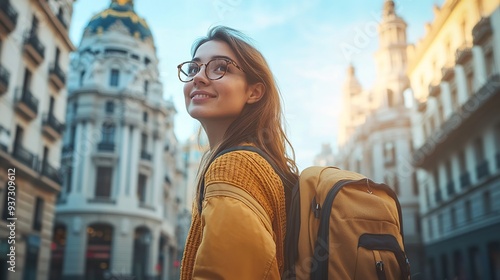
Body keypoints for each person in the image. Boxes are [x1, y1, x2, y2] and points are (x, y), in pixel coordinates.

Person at [178, 25, 298, 279]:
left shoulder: (235, 166)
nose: (198, 77)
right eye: (193, 68)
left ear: (254, 92)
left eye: (220, 67)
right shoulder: (256, 160)